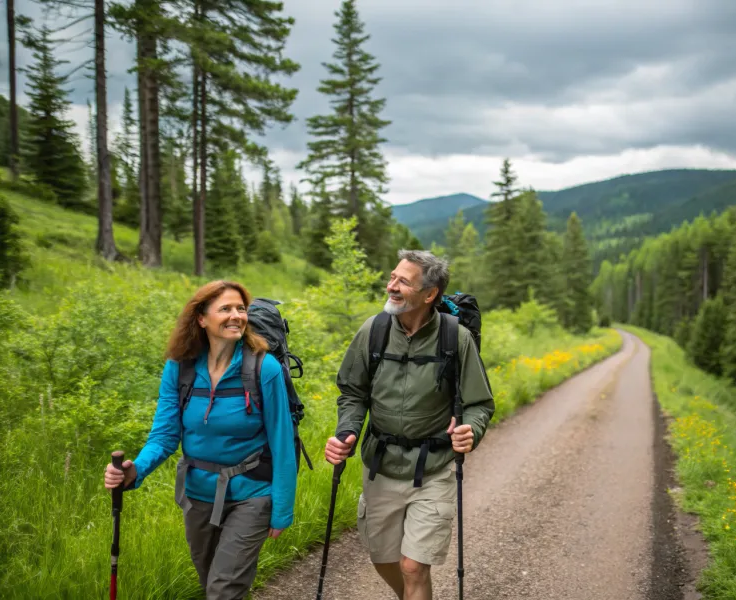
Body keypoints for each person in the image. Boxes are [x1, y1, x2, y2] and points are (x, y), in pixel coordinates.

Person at [104, 280, 297, 600]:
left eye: (241, 308)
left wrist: (282, 510)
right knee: (211, 583)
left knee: (223, 590)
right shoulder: (180, 368)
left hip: (253, 493)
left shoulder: (264, 368)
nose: (236, 315)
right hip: (198, 494)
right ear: (201, 319)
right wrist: (134, 470)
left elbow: (282, 443)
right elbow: (165, 435)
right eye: (226, 309)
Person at [325, 250, 495, 600]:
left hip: (433, 468)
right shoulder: (373, 331)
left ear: (429, 293)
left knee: (413, 567)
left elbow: (480, 403)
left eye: (402, 281)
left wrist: (471, 431)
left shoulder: (455, 338)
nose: (391, 286)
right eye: (392, 278)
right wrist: (348, 431)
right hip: (381, 466)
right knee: (383, 559)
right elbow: (352, 392)